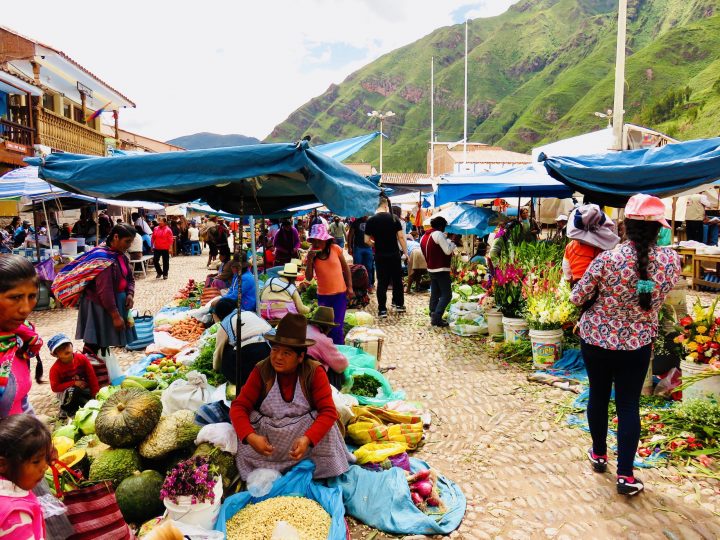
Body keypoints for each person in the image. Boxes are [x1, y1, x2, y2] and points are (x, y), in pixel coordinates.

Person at [570, 194, 680, 497]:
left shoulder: (607, 258)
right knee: (629, 406)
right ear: (659, 229)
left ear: (625, 225)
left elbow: (577, 297)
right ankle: (626, 476)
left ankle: (599, 455)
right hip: (637, 343)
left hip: (597, 341)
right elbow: (647, 296)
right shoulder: (671, 260)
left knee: (599, 396)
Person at [0, 255, 74, 539]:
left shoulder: (17, 340)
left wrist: (43, 442)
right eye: (15, 297)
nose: (26, 307)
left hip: (21, 460)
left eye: (32, 296)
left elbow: (20, 402)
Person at [230, 314, 350, 480]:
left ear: (300, 357)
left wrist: (308, 439)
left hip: (302, 439)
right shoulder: (262, 370)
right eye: (275, 350)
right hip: (269, 439)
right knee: (244, 421)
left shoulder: (314, 372)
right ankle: (267, 471)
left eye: (286, 353)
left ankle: (316, 471)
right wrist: (251, 437)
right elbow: (238, 407)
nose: (278, 357)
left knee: (327, 424)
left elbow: (329, 412)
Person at [64, 223, 138, 353]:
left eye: (130, 242)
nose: (129, 246)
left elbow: (130, 278)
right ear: (116, 237)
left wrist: (130, 294)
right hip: (99, 305)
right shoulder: (103, 259)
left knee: (104, 343)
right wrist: (115, 315)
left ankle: (102, 369)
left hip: (113, 303)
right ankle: (89, 368)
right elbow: (105, 291)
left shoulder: (120, 255)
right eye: (127, 241)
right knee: (94, 343)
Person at [0, 414, 52, 540]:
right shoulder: (15, 516)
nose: (45, 466)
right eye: (36, 461)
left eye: (46, 458)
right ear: (3, 464)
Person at [305, 224, 353, 344]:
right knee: (326, 327)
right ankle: (328, 351)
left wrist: (350, 287)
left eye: (319, 241)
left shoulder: (335, 249)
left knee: (337, 326)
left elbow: (345, 268)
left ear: (326, 240)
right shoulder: (311, 254)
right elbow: (309, 277)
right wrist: (310, 260)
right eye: (314, 241)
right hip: (324, 296)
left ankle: (339, 351)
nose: (316, 244)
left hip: (339, 295)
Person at [365, 198, 407, 318]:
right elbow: (401, 237)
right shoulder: (394, 218)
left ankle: (382, 310)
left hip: (380, 255)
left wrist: (375, 244)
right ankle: (399, 305)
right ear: (386, 206)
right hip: (394, 254)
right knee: (397, 280)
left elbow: (366, 240)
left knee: (382, 282)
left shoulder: (371, 220)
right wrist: (405, 252)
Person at [212, 300, 271, 387]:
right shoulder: (251, 314)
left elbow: (218, 352)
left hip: (246, 364)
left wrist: (216, 368)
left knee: (225, 349)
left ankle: (240, 381)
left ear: (219, 314)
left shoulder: (225, 324)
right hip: (270, 354)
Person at [562, 204, 620, 285]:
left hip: (577, 283)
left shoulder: (570, 246)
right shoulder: (602, 247)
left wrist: (568, 278)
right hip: (596, 283)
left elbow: (566, 268)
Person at [47, 333, 99, 417]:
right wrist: (74, 383)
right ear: (54, 354)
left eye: (67, 345)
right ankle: (65, 410)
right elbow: (55, 387)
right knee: (73, 391)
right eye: (60, 348)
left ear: (72, 345)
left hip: (84, 389)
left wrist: (95, 394)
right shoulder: (55, 369)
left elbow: (92, 377)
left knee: (89, 402)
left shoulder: (82, 359)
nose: (65, 349)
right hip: (67, 394)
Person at [421, 216, 457, 327]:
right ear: (441, 226)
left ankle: (432, 313)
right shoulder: (438, 234)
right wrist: (453, 242)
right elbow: (447, 251)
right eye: (444, 226)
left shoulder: (424, 236)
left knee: (435, 293)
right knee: (447, 295)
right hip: (441, 269)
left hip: (431, 268)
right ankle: (437, 317)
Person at [305, 307, 349, 390]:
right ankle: (333, 391)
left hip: (300, 369)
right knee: (335, 370)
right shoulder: (322, 339)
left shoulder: (306, 328)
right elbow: (341, 365)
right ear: (328, 327)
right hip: (308, 375)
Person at [347, 216, 374, 289]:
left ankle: (369, 285)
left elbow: (373, 235)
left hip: (368, 248)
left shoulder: (370, 222)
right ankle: (357, 286)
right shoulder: (355, 222)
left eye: (367, 214)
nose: (366, 216)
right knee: (357, 267)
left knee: (369, 267)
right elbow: (350, 235)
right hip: (358, 248)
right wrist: (349, 247)